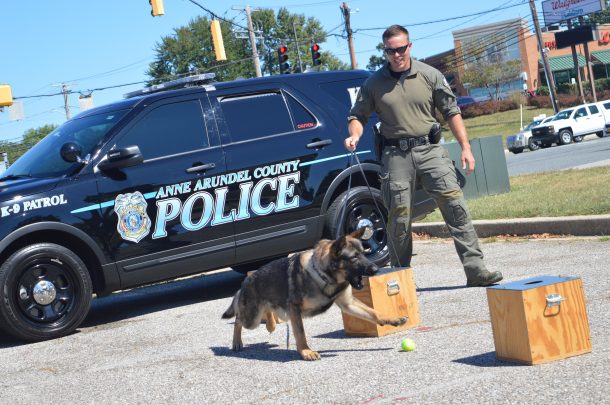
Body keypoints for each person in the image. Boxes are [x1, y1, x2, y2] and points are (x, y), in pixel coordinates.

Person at [344, 24, 503, 287]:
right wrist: (354, 134)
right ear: (385, 51)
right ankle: (400, 278)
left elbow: (452, 112)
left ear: (410, 46)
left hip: (430, 151)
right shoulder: (374, 84)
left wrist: (465, 147)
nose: (397, 54)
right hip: (395, 154)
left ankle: (476, 270)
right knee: (399, 216)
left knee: (455, 206)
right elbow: (357, 116)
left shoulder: (430, 75)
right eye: (391, 50)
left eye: (401, 48)